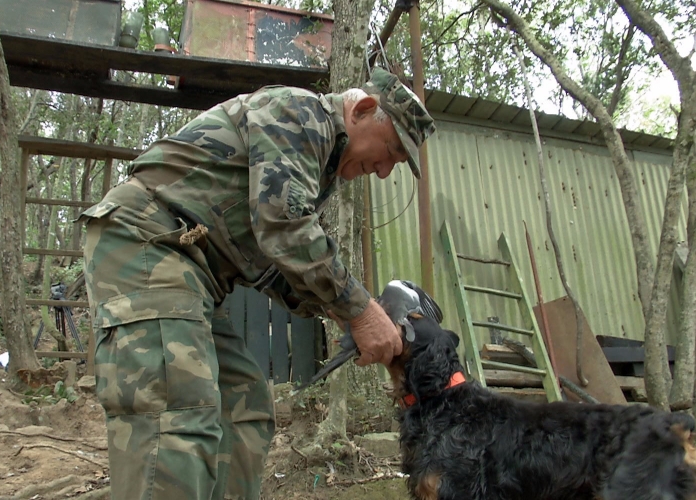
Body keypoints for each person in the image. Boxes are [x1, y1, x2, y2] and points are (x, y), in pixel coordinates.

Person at [79, 68, 436, 500]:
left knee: (244, 406)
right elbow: (283, 224)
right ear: (362, 110)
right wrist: (360, 310)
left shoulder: (317, 166)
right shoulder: (299, 112)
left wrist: (343, 313)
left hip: (195, 273)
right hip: (147, 242)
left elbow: (275, 264)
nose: (382, 172)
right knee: (175, 408)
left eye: (394, 166)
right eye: (391, 152)